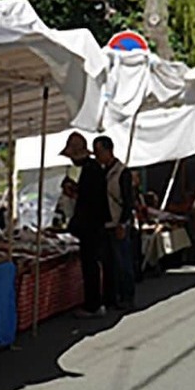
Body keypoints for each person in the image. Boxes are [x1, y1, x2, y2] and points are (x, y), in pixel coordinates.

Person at [61, 131, 113, 317]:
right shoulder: (93, 169)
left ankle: (93, 304)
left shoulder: (91, 170)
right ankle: (97, 302)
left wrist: (73, 192)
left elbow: (89, 200)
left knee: (90, 266)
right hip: (94, 224)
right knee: (93, 265)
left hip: (91, 226)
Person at [93, 136, 136, 309]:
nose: (97, 156)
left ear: (108, 150)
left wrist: (123, 224)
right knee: (110, 263)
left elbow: (128, 201)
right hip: (105, 223)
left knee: (123, 261)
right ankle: (112, 296)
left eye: (99, 152)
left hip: (118, 223)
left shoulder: (122, 172)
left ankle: (127, 296)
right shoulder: (102, 171)